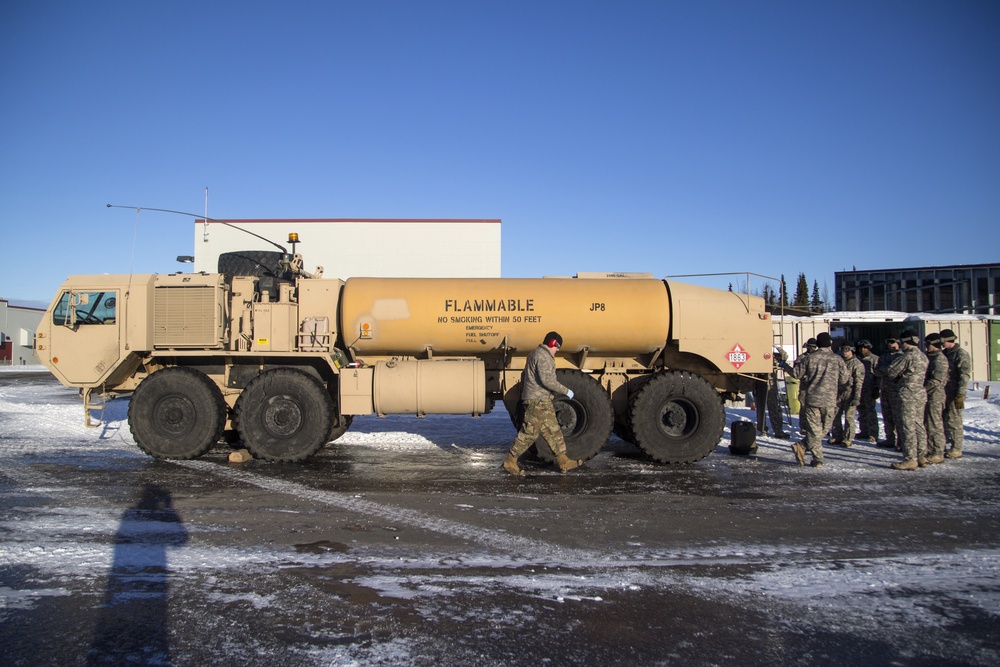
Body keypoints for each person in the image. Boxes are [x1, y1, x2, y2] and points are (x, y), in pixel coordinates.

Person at [502, 331, 583, 475]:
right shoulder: (543, 356)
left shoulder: (535, 354)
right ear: (552, 343)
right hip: (537, 400)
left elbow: (524, 375)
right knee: (530, 433)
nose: (558, 350)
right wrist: (566, 391)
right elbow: (547, 380)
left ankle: (563, 460)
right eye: (557, 346)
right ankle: (510, 460)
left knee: (552, 429)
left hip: (542, 399)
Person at [789, 332, 847, 468]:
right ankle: (817, 459)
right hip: (830, 400)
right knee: (823, 430)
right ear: (830, 343)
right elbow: (844, 379)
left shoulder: (810, 358)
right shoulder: (837, 359)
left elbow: (796, 374)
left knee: (814, 431)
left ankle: (802, 446)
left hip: (813, 399)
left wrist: (784, 365)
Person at [887, 330, 929, 470]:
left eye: (901, 342)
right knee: (919, 425)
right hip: (920, 393)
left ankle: (910, 458)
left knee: (907, 426)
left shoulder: (907, 357)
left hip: (908, 394)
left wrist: (900, 375)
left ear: (906, 342)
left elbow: (891, 371)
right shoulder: (923, 356)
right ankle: (921, 455)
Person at [940, 328, 972, 459]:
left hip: (956, 393)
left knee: (954, 420)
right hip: (943, 392)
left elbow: (964, 376)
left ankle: (957, 448)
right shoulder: (945, 354)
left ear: (948, 340)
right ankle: (944, 443)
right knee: (942, 419)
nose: (941, 343)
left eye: (942, 340)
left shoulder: (960, 354)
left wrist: (960, 394)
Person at [922, 333, 949, 464]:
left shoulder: (940, 360)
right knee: (926, 423)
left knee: (934, 424)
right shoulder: (928, 357)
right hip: (926, 396)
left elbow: (936, 380)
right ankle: (929, 449)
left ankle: (937, 452)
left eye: (928, 344)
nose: (926, 347)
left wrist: (921, 390)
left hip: (935, 396)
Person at [830, 343, 864, 447]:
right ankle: (837, 436)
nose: (844, 352)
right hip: (838, 392)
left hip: (850, 392)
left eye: (847, 350)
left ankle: (848, 438)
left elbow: (859, 382)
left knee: (849, 417)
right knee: (835, 415)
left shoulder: (857, 364)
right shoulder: (839, 362)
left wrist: (857, 396)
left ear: (852, 350)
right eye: (842, 350)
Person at [874, 338, 902, 450]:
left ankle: (901, 441)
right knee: (887, 417)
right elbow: (876, 370)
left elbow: (896, 372)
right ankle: (890, 439)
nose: (891, 345)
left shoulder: (902, 357)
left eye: (893, 342)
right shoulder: (884, 356)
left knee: (898, 417)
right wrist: (888, 369)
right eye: (888, 343)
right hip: (885, 390)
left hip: (897, 391)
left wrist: (885, 369)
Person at [754, 350, 789, 438]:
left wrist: (777, 348)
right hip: (759, 383)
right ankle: (762, 429)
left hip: (771, 386)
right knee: (761, 409)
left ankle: (778, 431)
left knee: (774, 408)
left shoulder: (773, 356)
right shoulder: (755, 354)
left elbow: (784, 356)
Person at [855, 340, 879, 443]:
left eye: (865, 348)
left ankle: (873, 433)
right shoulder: (857, 359)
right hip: (859, 389)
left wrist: (877, 388)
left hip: (870, 389)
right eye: (861, 348)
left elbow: (878, 375)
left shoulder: (874, 359)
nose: (863, 350)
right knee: (862, 411)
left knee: (871, 412)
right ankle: (864, 431)